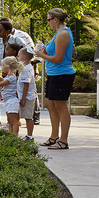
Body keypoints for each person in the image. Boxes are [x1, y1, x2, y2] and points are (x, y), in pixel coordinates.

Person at [38, 8, 75, 150]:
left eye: (48, 20)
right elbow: (53, 52)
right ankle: (54, 136)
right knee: (49, 104)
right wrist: (44, 50)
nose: (48, 23)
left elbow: (58, 59)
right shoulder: (58, 34)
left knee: (61, 106)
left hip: (62, 74)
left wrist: (41, 55)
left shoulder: (63, 34)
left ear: (55, 19)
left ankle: (63, 140)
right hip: (54, 74)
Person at [0, 55, 23, 134]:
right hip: (7, 101)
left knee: (14, 121)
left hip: (12, 101)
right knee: (10, 121)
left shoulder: (11, 77)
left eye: (3, 66)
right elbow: (3, 80)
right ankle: (11, 137)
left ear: (8, 67)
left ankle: (14, 137)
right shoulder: (9, 77)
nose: (2, 68)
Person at [17, 47, 37, 141]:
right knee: (25, 116)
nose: (18, 57)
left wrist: (23, 98)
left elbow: (26, 85)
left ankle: (29, 135)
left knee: (28, 117)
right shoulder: (25, 67)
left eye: (19, 55)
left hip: (27, 97)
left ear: (24, 57)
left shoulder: (26, 69)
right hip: (25, 96)